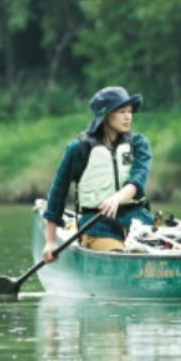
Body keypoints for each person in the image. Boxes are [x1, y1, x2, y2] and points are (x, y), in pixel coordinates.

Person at [41, 86, 155, 261]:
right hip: (97, 225)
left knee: (156, 251)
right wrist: (50, 241)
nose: (128, 117)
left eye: (130, 111)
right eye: (122, 111)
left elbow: (138, 179)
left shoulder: (139, 143)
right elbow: (58, 193)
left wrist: (116, 198)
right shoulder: (78, 149)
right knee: (119, 256)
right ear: (107, 115)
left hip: (138, 221)